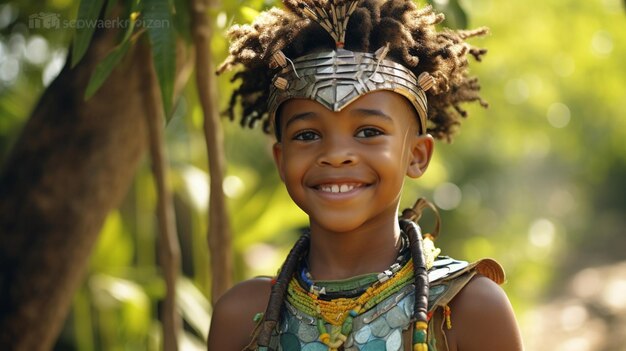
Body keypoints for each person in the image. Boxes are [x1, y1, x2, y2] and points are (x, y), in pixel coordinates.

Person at [208, 0, 524, 350]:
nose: (337, 155)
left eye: (369, 132)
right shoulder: (240, 316)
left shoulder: (468, 308)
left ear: (417, 155)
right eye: (308, 135)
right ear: (282, 161)